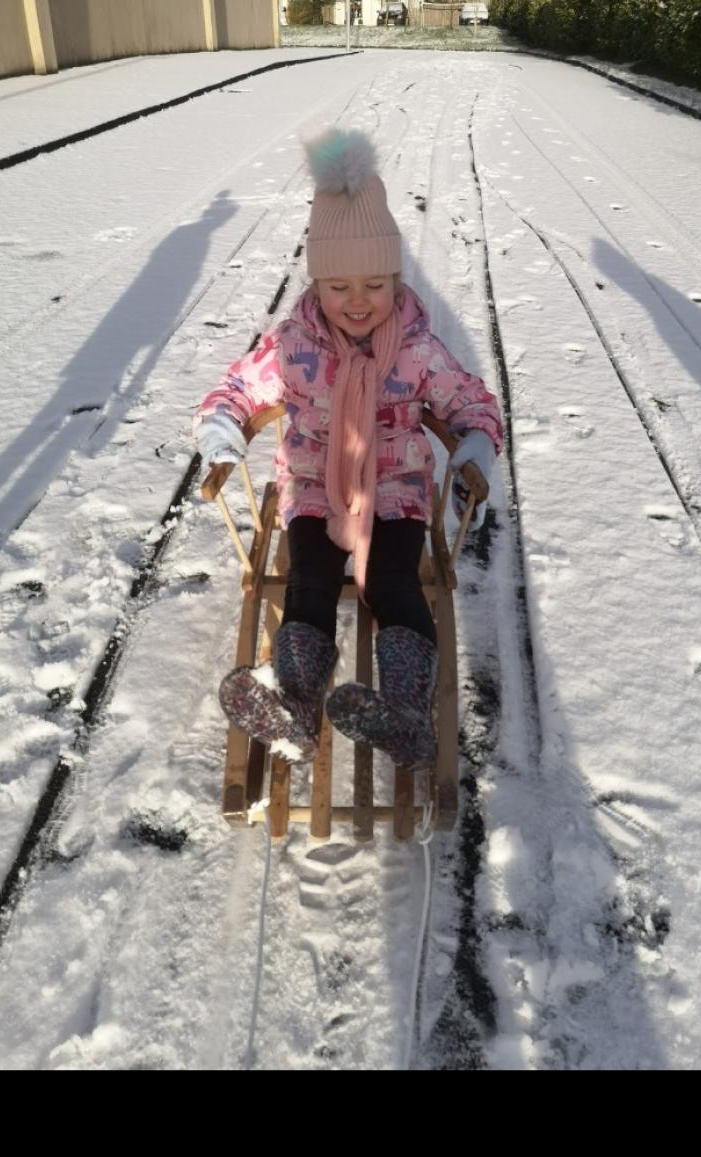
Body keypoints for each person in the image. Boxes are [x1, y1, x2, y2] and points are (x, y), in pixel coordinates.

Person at [194, 128, 502, 770]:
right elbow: (237, 391)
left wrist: (473, 448)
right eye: (338, 287)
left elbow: (472, 404)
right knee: (308, 579)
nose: (357, 302)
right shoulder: (293, 346)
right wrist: (224, 433)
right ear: (316, 286)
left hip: (396, 491)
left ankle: (406, 712)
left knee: (393, 580)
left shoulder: (417, 350)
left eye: (374, 285)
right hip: (314, 487)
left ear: (395, 280)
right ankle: (296, 702)